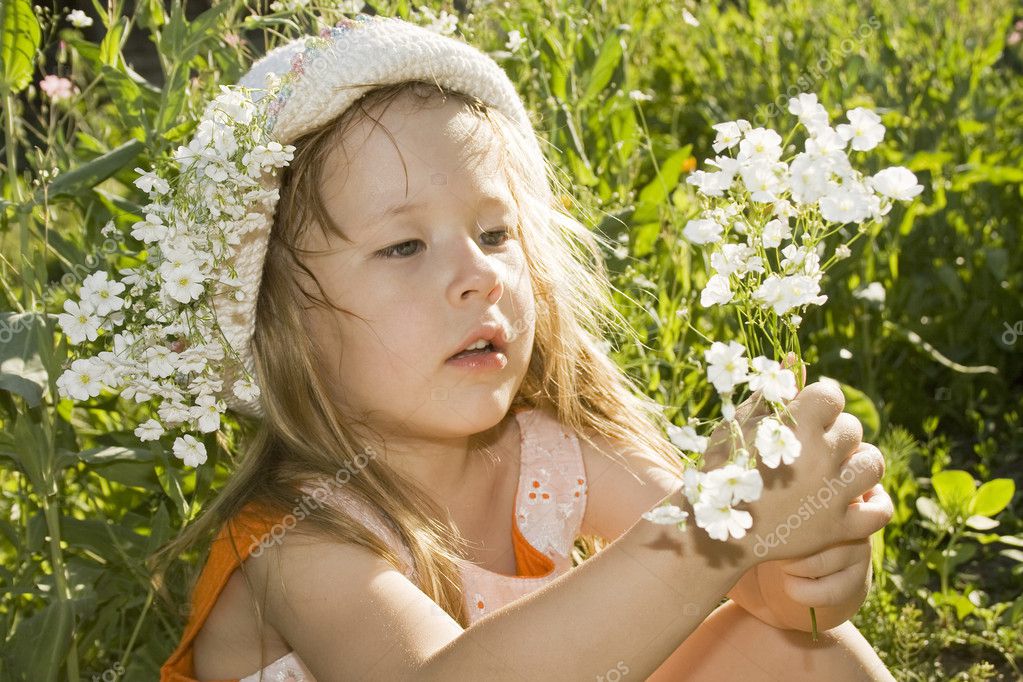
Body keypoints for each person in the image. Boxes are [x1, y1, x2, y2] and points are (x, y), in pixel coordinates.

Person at [138, 13, 896, 682]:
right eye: (404, 246)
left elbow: (761, 590)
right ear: (281, 326)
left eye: (495, 234)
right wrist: (705, 527)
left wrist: (808, 559)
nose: (479, 275)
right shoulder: (295, 541)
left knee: (797, 653)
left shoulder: (553, 456)